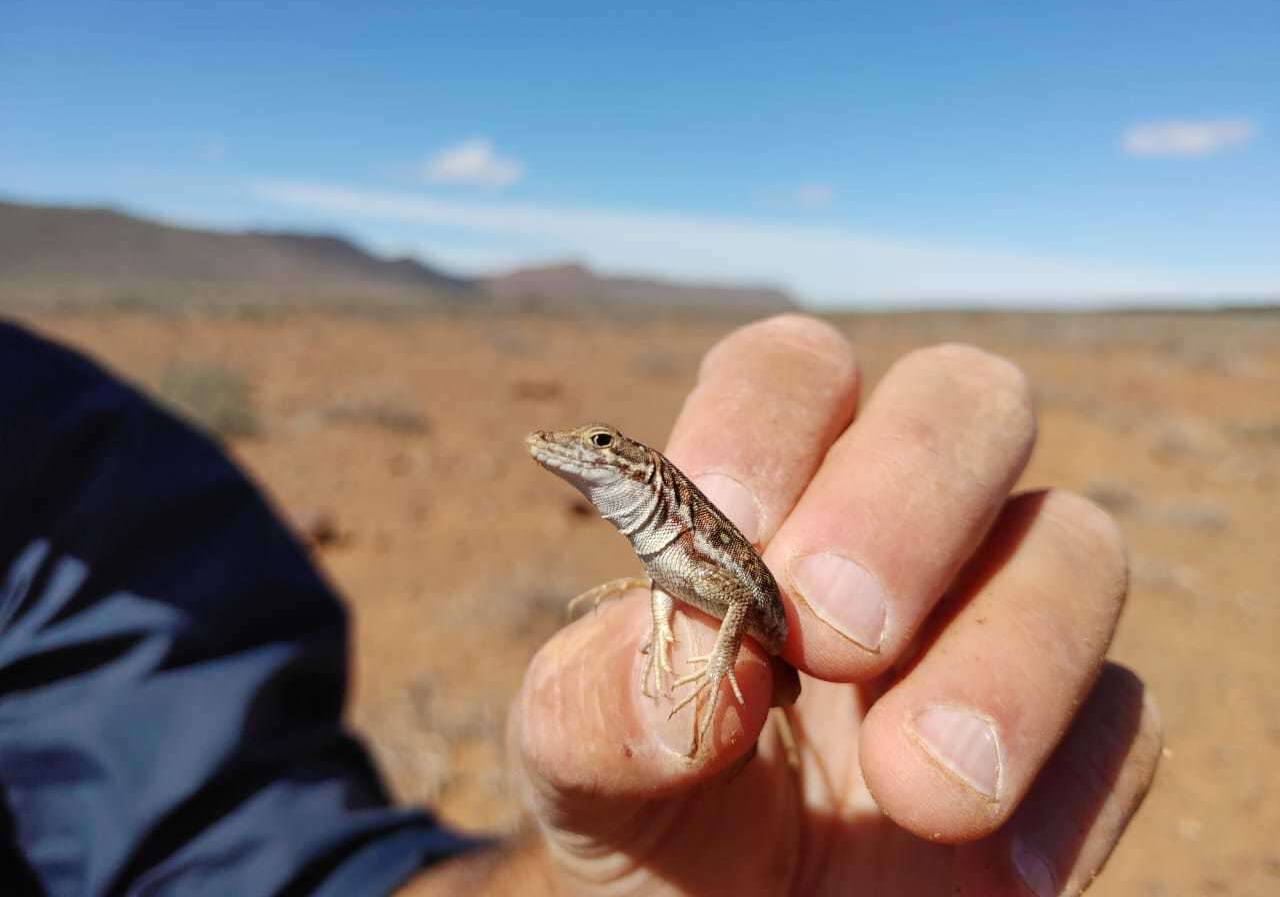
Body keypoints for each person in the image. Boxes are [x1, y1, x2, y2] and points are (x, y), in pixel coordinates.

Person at [0, 315, 1161, 896]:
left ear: (644, 469)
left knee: (720, 621)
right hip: (702, 600)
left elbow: (234, 852)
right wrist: (661, 607)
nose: (579, 458)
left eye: (601, 447)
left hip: (765, 641)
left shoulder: (63, 474)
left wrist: (714, 674)